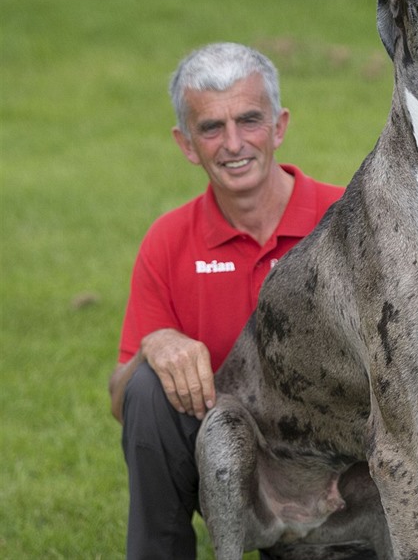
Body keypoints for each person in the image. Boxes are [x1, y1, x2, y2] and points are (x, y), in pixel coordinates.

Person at [109, 42, 345, 559]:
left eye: (249, 120)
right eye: (211, 127)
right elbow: (120, 398)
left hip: (337, 480)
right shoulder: (168, 240)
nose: (233, 143)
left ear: (280, 126)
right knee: (147, 387)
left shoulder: (345, 218)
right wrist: (158, 343)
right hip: (226, 470)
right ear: (187, 143)